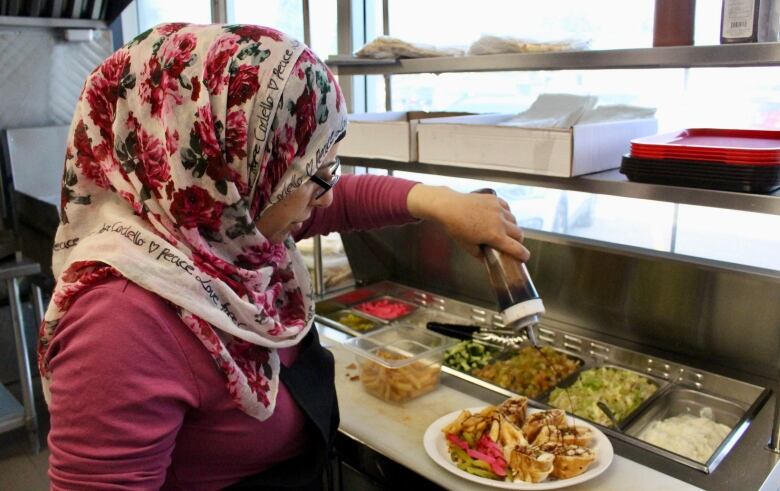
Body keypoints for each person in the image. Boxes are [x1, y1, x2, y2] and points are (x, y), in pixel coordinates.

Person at [37, 23, 529, 490]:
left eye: (328, 168)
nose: (328, 198)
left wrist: (444, 204)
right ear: (228, 169)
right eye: (312, 177)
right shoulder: (121, 328)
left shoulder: (216, 229)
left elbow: (345, 202)